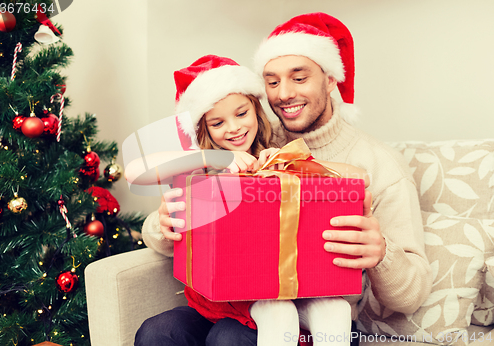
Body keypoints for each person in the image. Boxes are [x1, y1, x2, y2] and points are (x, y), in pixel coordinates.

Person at [151, 12, 433, 345]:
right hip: (236, 299)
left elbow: (411, 295)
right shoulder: (253, 143)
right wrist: (164, 222)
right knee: (158, 332)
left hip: (314, 305)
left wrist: (382, 253)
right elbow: (185, 223)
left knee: (232, 336)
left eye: (299, 78)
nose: (283, 94)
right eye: (272, 82)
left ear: (330, 79)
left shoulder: (381, 163)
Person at [131, 54, 370, 346]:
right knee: (157, 331)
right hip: (213, 305)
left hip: (271, 299)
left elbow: (359, 178)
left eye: (241, 114)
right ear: (203, 130)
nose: (233, 128)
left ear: (256, 111)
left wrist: (289, 163)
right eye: (218, 122)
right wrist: (218, 162)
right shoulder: (197, 171)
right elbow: (143, 174)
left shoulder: (278, 156)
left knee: (231, 336)